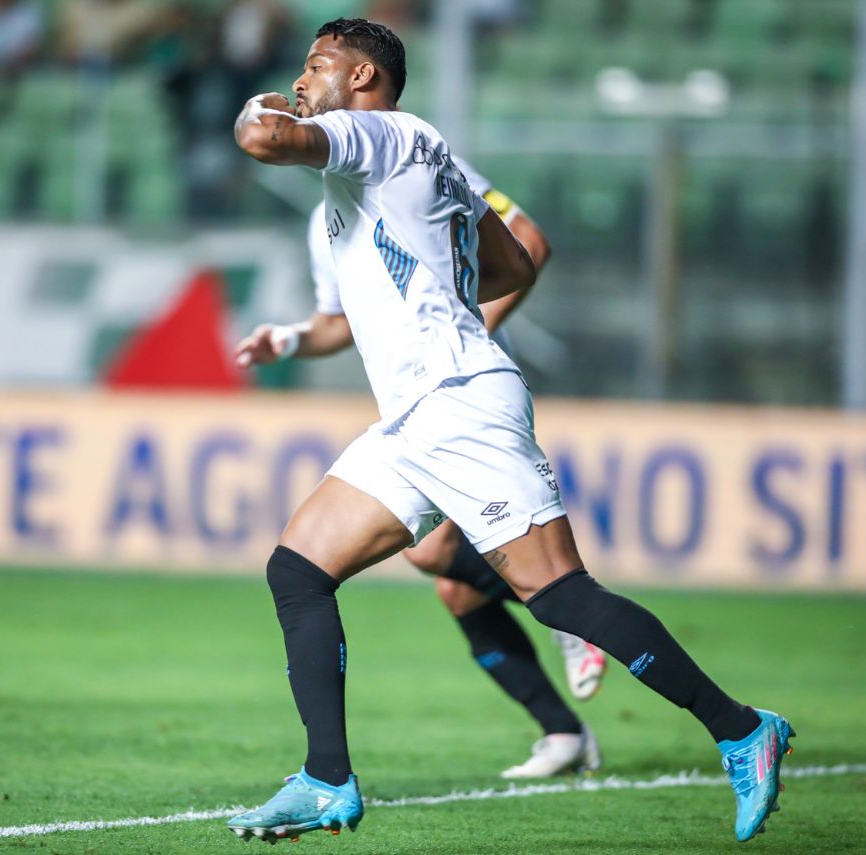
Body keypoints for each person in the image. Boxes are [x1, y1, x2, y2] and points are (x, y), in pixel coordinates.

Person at [226, 17, 793, 845]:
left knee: (560, 593)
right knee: (299, 567)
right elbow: (516, 264)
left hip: (457, 402)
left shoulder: (373, 133)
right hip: (417, 414)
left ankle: (743, 729)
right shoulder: (421, 151)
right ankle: (325, 777)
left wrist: (266, 101)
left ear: (362, 79)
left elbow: (260, 135)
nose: (304, 78)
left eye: (319, 65)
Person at [236, 160, 608, 779]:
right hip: (415, 406)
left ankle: (573, 620)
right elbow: (337, 324)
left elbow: (530, 242)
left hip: (467, 399)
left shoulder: (415, 165)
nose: (304, 95)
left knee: (431, 553)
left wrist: (457, 344)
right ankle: (563, 730)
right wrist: (293, 339)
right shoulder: (321, 218)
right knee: (458, 587)